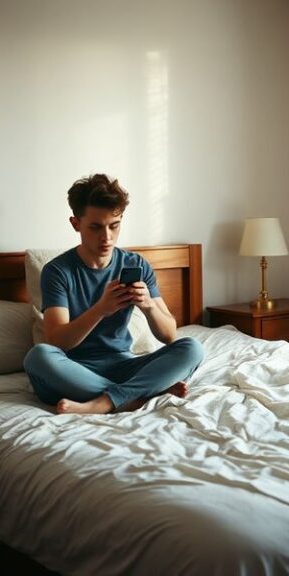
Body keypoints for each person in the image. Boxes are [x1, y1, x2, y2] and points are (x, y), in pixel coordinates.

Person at [23, 173, 204, 415]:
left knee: (192, 348)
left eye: (114, 226)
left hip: (123, 364)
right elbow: (57, 341)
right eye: (96, 227)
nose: (106, 237)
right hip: (73, 370)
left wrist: (148, 305)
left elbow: (170, 334)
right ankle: (140, 393)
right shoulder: (57, 271)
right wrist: (101, 309)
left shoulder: (136, 264)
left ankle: (107, 402)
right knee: (38, 357)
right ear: (76, 223)